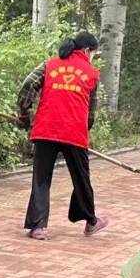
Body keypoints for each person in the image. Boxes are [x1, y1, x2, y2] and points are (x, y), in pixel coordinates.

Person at [16, 31, 110, 241]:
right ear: (87, 50)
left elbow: (27, 85)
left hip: (45, 129)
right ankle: (91, 222)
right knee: (81, 178)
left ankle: (39, 227)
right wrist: (85, 129)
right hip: (74, 132)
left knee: (41, 179)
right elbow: (91, 110)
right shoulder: (92, 73)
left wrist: (23, 113)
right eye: (94, 53)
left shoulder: (49, 65)